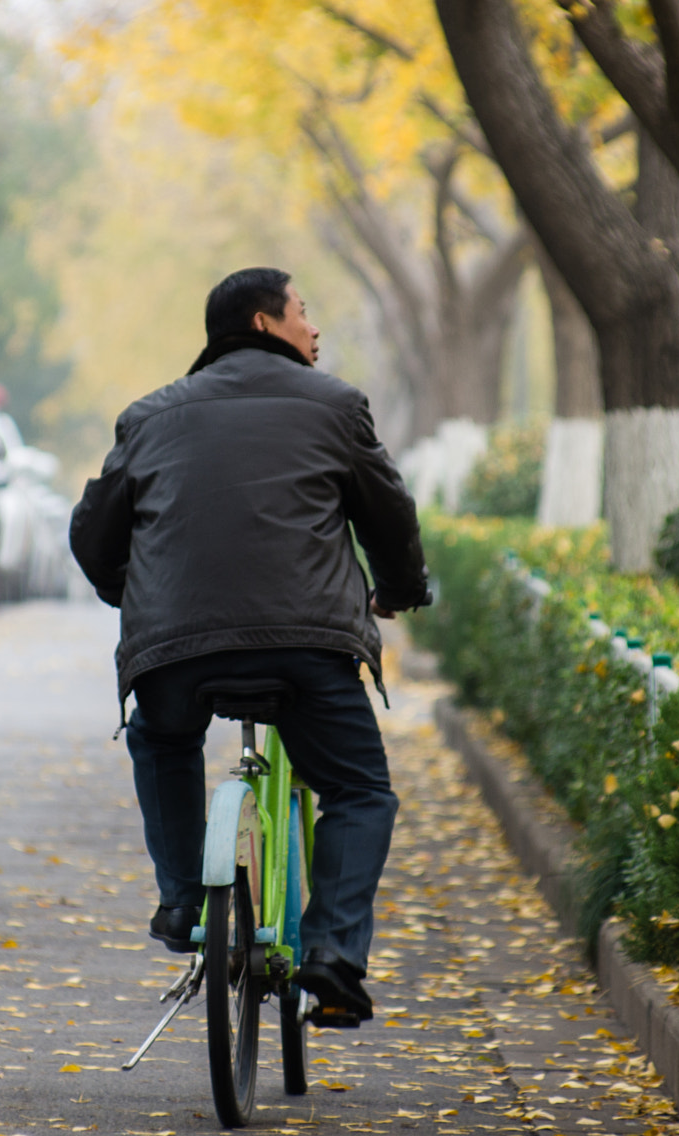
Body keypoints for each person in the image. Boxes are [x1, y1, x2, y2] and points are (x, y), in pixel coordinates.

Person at [69, 267, 429, 1028]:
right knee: (360, 792)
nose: (315, 328)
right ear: (264, 323)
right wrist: (398, 589)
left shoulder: (150, 415)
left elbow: (94, 536)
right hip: (305, 646)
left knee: (162, 740)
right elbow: (388, 516)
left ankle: (180, 902)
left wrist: (130, 594)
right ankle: (333, 958)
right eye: (305, 312)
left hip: (174, 648)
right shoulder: (337, 407)